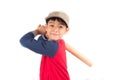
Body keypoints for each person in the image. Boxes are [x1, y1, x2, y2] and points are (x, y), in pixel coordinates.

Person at [20, 11, 93, 80]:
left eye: (60, 27)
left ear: (66, 30)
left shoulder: (52, 47)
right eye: (52, 25)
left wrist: (37, 31)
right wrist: (44, 35)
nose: (55, 30)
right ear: (46, 27)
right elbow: (42, 42)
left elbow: (24, 41)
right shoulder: (60, 43)